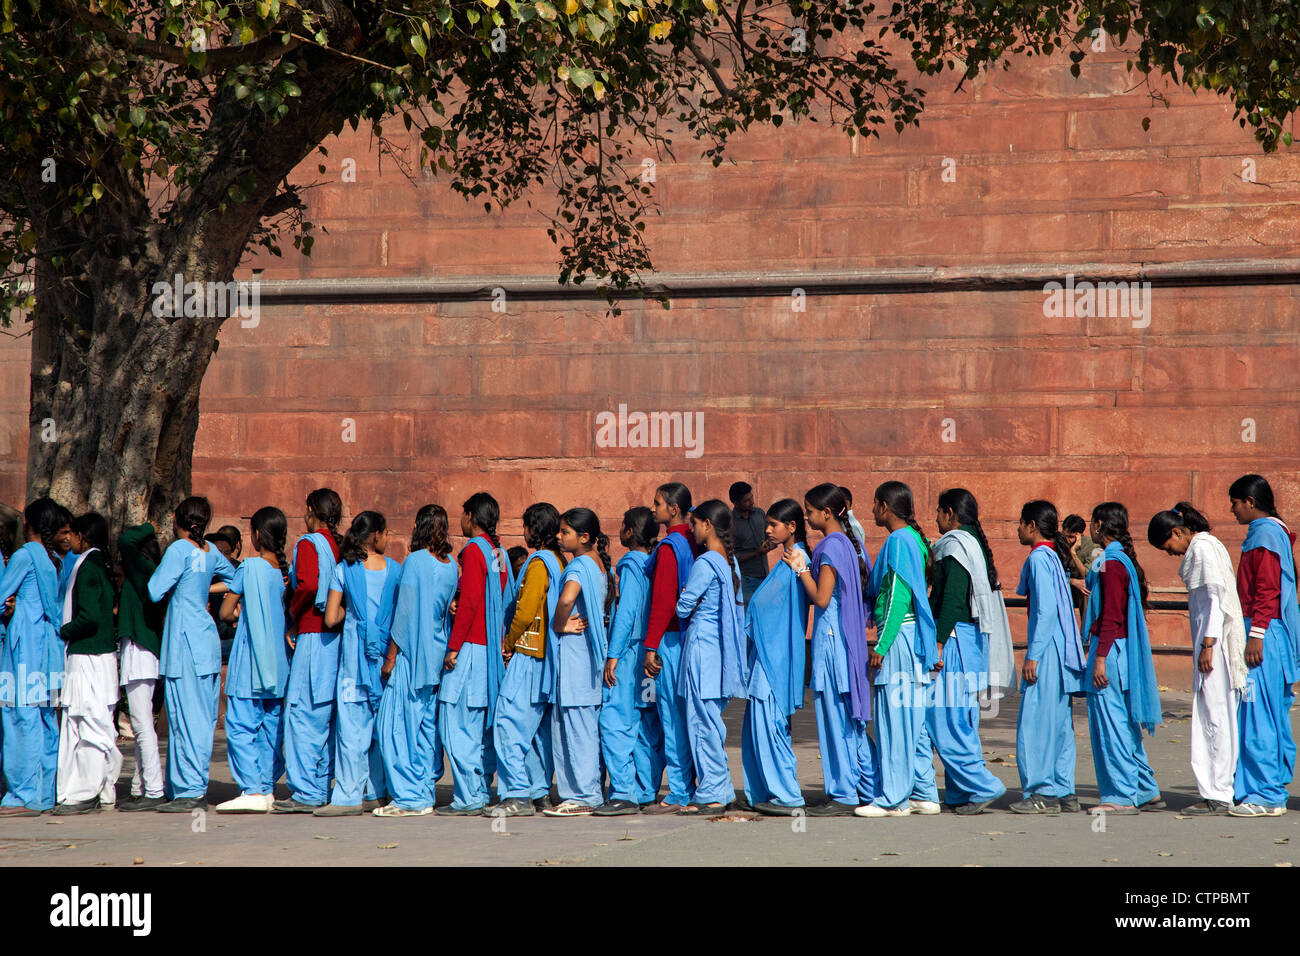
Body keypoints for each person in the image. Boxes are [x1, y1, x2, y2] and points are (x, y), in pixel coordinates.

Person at [1148, 502, 1246, 815]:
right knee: (1218, 717)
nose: (1171, 553)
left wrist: (1207, 644)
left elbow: (1216, 600)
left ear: (1177, 531)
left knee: (1213, 717)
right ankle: (1220, 789)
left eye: (1168, 545)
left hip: (1213, 646)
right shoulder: (1206, 546)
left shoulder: (1203, 547)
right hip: (1213, 644)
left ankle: (1217, 793)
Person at [787, 484, 876, 816]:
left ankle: (843, 793)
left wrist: (801, 568)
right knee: (850, 722)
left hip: (831, 642)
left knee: (835, 720)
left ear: (827, 513)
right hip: (845, 643)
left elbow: (821, 598)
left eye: (810, 511)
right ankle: (868, 786)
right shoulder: (850, 545)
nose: (806, 517)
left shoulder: (830, 547)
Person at [147, 496, 236, 811]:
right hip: (205, 640)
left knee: (186, 719)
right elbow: (235, 578)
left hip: (184, 644)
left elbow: (155, 589)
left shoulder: (179, 550)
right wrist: (205, 588)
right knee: (199, 717)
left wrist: (183, 582)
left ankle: (189, 791)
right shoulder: (210, 551)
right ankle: (182, 788)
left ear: (176, 519)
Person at [857, 480, 938, 818]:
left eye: (875, 505)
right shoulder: (914, 540)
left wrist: (881, 644)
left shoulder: (898, 541)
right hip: (911, 637)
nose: (873, 511)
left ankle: (893, 799)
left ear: (885, 506)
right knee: (913, 720)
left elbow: (896, 598)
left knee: (893, 720)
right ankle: (924, 792)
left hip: (899, 637)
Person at [926, 489, 1009, 814]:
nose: (935, 518)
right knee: (964, 717)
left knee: (944, 716)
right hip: (972, 641)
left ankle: (982, 785)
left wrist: (938, 641)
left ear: (949, 512)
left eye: (938, 511)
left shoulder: (955, 544)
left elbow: (954, 598)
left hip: (956, 640)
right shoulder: (973, 543)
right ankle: (962, 792)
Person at [374, 505, 459, 817]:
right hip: (436, 654)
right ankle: (423, 793)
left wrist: (390, 656)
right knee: (424, 728)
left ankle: (408, 797)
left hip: (412, 655)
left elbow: (405, 612)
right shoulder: (451, 565)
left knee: (394, 727)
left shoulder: (414, 561)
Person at [315, 510, 400, 816]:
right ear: (376, 535)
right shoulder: (396, 571)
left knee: (352, 731)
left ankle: (348, 796)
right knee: (381, 731)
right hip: (385, 665)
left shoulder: (344, 569)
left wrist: (353, 616)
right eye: (386, 532)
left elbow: (331, 617)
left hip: (353, 663)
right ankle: (378, 792)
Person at [1083, 502, 1162, 815]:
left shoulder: (1111, 563)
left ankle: (1120, 794)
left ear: (1100, 524)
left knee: (1111, 724)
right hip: (1121, 649)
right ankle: (1143, 787)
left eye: (1092, 522)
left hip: (1111, 651)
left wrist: (1100, 656)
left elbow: (1112, 614)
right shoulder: (1121, 559)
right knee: (1125, 724)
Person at [437, 492, 514, 816]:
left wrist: (453, 646)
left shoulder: (472, 550)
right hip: (491, 652)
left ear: (470, 516)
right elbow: (501, 596)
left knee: (455, 723)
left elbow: (469, 601)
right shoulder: (499, 552)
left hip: (470, 648)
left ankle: (468, 797)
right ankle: (480, 792)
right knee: (480, 725)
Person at [1227, 474, 1299, 818]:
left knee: (1257, 714)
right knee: (1271, 713)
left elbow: (1266, 589)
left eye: (1235, 503)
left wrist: (1255, 634)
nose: (1232, 510)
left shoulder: (1266, 535)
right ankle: (1272, 786)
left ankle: (1265, 794)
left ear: (1250, 502)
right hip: (1271, 635)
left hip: (1263, 636)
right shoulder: (1273, 532)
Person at [1010, 501, 1086, 814]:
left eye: (1020, 523)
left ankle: (1041, 792)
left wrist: (1033, 655)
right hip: (1061, 647)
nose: (1017, 529)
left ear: (1031, 525)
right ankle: (1064, 790)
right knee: (1058, 723)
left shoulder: (1040, 558)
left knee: (1034, 722)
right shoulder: (1053, 556)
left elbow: (1045, 610)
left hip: (1048, 649)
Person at [671, 499, 746, 815]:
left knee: (701, 723)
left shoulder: (704, 563)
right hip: (720, 652)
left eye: (695, 522)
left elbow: (682, 607)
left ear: (708, 525)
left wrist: (685, 599)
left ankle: (713, 792)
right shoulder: (730, 562)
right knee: (712, 722)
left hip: (702, 649)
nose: (691, 528)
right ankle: (721, 788)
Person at [216, 507, 292, 814]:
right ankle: (266, 786)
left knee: (240, 725)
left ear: (257, 535)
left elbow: (225, 611)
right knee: (270, 726)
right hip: (278, 663)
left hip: (250, 663)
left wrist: (238, 616)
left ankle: (252, 788)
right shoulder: (282, 573)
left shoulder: (248, 568)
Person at [493, 503, 566, 817]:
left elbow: (524, 611)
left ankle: (517, 794)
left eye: (525, 526)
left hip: (528, 654)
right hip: (547, 657)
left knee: (507, 724)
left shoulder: (538, 564)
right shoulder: (560, 561)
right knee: (535, 731)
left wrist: (508, 642)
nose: (522, 532)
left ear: (534, 529)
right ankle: (538, 792)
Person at [275, 488, 344, 813]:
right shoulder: (339, 544)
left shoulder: (308, 543)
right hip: (335, 639)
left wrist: (292, 613)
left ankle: (306, 790)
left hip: (313, 634)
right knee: (323, 714)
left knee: (302, 712)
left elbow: (307, 584)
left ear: (312, 510)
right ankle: (320, 783)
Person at [0, 500, 67, 816]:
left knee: (19, 716)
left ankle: (21, 795)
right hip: (48, 648)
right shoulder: (54, 559)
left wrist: (9, 609)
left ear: (28, 521)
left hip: (24, 643)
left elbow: (1, 595)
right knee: (44, 718)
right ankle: (42, 793)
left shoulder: (26, 555)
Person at [596, 506, 664, 815]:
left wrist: (613, 655)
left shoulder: (632, 565)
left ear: (629, 532)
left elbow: (627, 612)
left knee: (615, 720)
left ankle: (624, 792)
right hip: (651, 651)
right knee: (645, 720)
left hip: (631, 654)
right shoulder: (653, 562)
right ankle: (645, 789)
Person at [545, 507, 612, 816]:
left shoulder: (579, 566)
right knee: (582, 725)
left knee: (575, 726)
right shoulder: (599, 565)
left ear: (584, 537)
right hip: (589, 657)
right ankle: (582, 792)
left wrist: (559, 624)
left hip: (575, 655)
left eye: (565, 532)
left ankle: (583, 795)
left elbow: (566, 600)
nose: (559, 537)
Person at [53, 513, 122, 815]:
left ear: (83, 536)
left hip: (89, 658)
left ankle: (85, 791)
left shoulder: (90, 566)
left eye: (72, 533)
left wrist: (63, 630)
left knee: (88, 724)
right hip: (98, 658)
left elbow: (89, 616)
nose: (68, 539)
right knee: (98, 723)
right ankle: (103, 790)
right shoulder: (97, 564)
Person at [744, 499, 810, 814]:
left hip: (777, 655)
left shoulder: (797, 560)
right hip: (768, 652)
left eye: (774, 524)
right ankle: (767, 791)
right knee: (760, 723)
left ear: (792, 527)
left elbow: (780, 608)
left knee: (771, 723)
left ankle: (788, 794)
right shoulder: (785, 559)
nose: (767, 530)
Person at [642, 481, 699, 814]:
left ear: (673, 509)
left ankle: (679, 789)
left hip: (670, 639)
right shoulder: (694, 542)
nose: (654, 509)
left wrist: (651, 646)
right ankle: (689, 782)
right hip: (690, 637)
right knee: (687, 713)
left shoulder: (669, 547)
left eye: (658, 503)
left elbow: (663, 602)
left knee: (672, 716)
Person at [115, 522, 168, 811]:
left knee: (141, 725)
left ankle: (154, 790)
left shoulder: (142, 569)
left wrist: (148, 526)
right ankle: (140, 786)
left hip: (140, 651)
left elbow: (125, 541)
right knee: (143, 722)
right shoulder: (151, 571)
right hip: (146, 651)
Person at [729, 482, 769, 606]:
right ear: (735, 503)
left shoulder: (759, 514)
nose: (752, 502)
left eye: (751, 497)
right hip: (745, 579)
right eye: (747, 500)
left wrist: (769, 544)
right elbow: (732, 555)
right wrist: (756, 553)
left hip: (765, 575)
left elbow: (769, 536)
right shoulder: (731, 522)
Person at [1063, 514, 1100, 618]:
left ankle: (1086, 632)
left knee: (1086, 590)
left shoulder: (1094, 547)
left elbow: (1088, 575)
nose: (1066, 540)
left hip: (1085, 589)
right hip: (1067, 585)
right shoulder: (1060, 544)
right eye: (1064, 536)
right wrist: (1072, 581)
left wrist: (1073, 553)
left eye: (1070, 537)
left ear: (1080, 536)